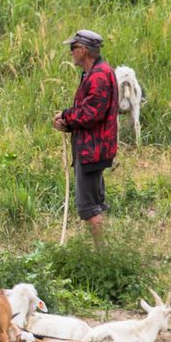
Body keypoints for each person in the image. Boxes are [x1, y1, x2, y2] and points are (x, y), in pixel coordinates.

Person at [52, 29, 118, 237]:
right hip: (92, 146)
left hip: (92, 150)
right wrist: (69, 124)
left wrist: (65, 115)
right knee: (93, 205)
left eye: (73, 48)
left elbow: (90, 115)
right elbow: (91, 115)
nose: (70, 52)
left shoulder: (99, 76)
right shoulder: (94, 73)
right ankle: (101, 255)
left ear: (82, 50)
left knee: (89, 207)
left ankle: (101, 258)